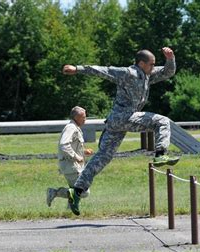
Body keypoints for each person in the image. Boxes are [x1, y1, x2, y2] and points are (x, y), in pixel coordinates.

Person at [62, 47, 179, 215]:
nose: (154, 68)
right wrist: (77, 69)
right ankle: (160, 153)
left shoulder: (148, 75)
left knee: (103, 156)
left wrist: (170, 58)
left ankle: (77, 191)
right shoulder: (127, 73)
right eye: (151, 64)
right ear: (141, 63)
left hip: (116, 122)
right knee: (162, 121)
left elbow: (168, 72)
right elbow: (103, 71)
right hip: (124, 117)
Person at [46, 106, 93, 213]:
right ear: (76, 117)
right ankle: (54, 192)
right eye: (83, 117)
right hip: (71, 166)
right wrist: (76, 157)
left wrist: (83, 152)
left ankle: (69, 212)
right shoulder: (71, 128)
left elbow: (71, 146)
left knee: (74, 192)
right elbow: (64, 144)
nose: (85, 119)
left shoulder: (75, 127)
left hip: (73, 166)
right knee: (84, 192)